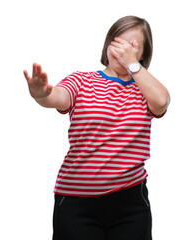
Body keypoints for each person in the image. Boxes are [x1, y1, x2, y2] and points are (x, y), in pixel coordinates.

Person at [23, 16, 168, 240]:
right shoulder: (82, 81)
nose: (122, 51)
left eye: (132, 46)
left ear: (143, 55)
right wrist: (43, 95)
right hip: (76, 203)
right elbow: (59, 97)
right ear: (108, 45)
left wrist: (133, 65)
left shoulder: (144, 90)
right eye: (118, 43)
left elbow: (161, 102)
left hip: (130, 203)